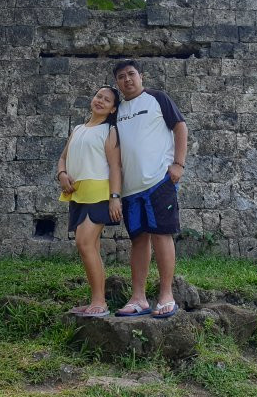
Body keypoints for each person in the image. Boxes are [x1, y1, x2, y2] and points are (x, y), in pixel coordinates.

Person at [112, 59, 188, 318]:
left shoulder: (157, 98)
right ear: (117, 83)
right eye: (121, 76)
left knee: (161, 235)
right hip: (130, 188)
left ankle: (166, 294)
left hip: (158, 181)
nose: (127, 79)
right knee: (138, 241)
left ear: (141, 76)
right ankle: (139, 298)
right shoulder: (118, 109)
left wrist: (178, 164)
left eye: (131, 74)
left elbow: (180, 127)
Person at [56, 86, 123, 318]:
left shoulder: (110, 130)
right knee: (90, 247)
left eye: (107, 100)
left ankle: (100, 302)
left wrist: (115, 198)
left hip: (99, 192)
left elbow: (115, 167)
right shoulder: (77, 129)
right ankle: (96, 298)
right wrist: (62, 174)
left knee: (84, 243)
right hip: (77, 193)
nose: (101, 101)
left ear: (113, 108)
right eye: (98, 96)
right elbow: (63, 157)